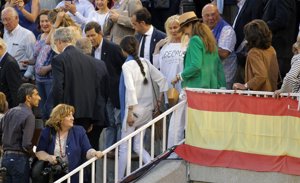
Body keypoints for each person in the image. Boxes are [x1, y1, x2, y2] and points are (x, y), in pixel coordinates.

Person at [118, 36, 168, 180]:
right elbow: (162, 80)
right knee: (137, 146)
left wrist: (129, 113)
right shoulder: (145, 62)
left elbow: (131, 90)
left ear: (123, 50)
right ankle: (153, 166)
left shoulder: (126, 66)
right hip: (148, 111)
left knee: (124, 148)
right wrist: (159, 101)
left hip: (133, 112)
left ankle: (120, 179)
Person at [51, 27, 107, 151]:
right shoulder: (89, 60)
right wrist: (92, 117)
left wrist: (57, 113)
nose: (57, 47)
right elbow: (94, 88)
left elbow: (57, 88)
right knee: (84, 149)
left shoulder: (58, 59)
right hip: (87, 113)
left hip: (67, 114)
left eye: (56, 44)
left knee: (69, 150)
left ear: (59, 42)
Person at [36, 104, 103, 183]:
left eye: (72, 115)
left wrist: (94, 153)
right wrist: (48, 157)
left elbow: (87, 150)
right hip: (55, 177)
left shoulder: (79, 131)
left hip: (76, 177)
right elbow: (39, 152)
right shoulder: (47, 131)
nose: (73, 118)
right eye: (69, 116)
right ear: (59, 118)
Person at [85, 21, 125, 149]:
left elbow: (124, 67)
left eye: (93, 35)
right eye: (88, 36)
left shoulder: (113, 48)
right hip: (100, 94)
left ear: (100, 33)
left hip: (115, 92)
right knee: (109, 123)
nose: (91, 39)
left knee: (118, 122)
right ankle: (109, 149)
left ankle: (119, 148)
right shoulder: (88, 50)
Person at [172, 11, 226, 89]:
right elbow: (218, 66)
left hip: (197, 87)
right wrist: (222, 86)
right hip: (212, 87)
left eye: (185, 31)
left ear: (190, 25)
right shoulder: (209, 41)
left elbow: (195, 65)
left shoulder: (194, 40)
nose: (185, 34)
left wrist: (180, 76)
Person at [0, 83, 41, 183]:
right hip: (19, 160)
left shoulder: (9, 112)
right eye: (36, 94)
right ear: (28, 97)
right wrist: (34, 154)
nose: (39, 98)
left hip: (5, 159)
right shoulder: (29, 115)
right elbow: (26, 144)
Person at [233, 19, 279, 91]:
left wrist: (245, 85)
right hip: (272, 93)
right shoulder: (271, 49)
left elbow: (261, 76)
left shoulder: (254, 53)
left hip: (260, 95)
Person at [202, 3, 237, 89]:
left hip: (225, 77)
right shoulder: (203, 29)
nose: (211, 18)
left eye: (213, 14)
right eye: (207, 15)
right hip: (210, 77)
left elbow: (224, 53)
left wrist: (203, 45)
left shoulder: (227, 30)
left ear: (219, 14)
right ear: (202, 17)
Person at [262, 0, 297, 80]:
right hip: (280, 52)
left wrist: (262, 27)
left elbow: (281, 21)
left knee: (277, 86)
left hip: (281, 51)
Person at [232, 0, 264, 83]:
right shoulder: (240, 5)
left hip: (248, 52)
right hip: (241, 54)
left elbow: (255, 27)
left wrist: (246, 47)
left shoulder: (254, 3)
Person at [1, 7, 36, 81]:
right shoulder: (5, 34)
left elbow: (33, 57)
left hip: (21, 74)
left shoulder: (27, 35)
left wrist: (26, 76)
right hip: (6, 73)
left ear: (17, 18)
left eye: (8, 19)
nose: (6, 23)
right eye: (3, 20)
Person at [34, 10, 56, 120]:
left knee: (51, 110)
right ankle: (44, 136)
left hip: (50, 79)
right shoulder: (39, 37)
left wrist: (47, 68)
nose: (44, 24)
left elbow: (60, 58)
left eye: (47, 21)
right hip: (38, 80)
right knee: (43, 112)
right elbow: (39, 56)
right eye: (42, 21)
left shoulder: (56, 36)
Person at [0, 38, 22, 108]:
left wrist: (15, 111)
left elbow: (15, 89)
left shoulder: (10, 63)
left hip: (8, 107)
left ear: (0, 48)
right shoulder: (2, 60)